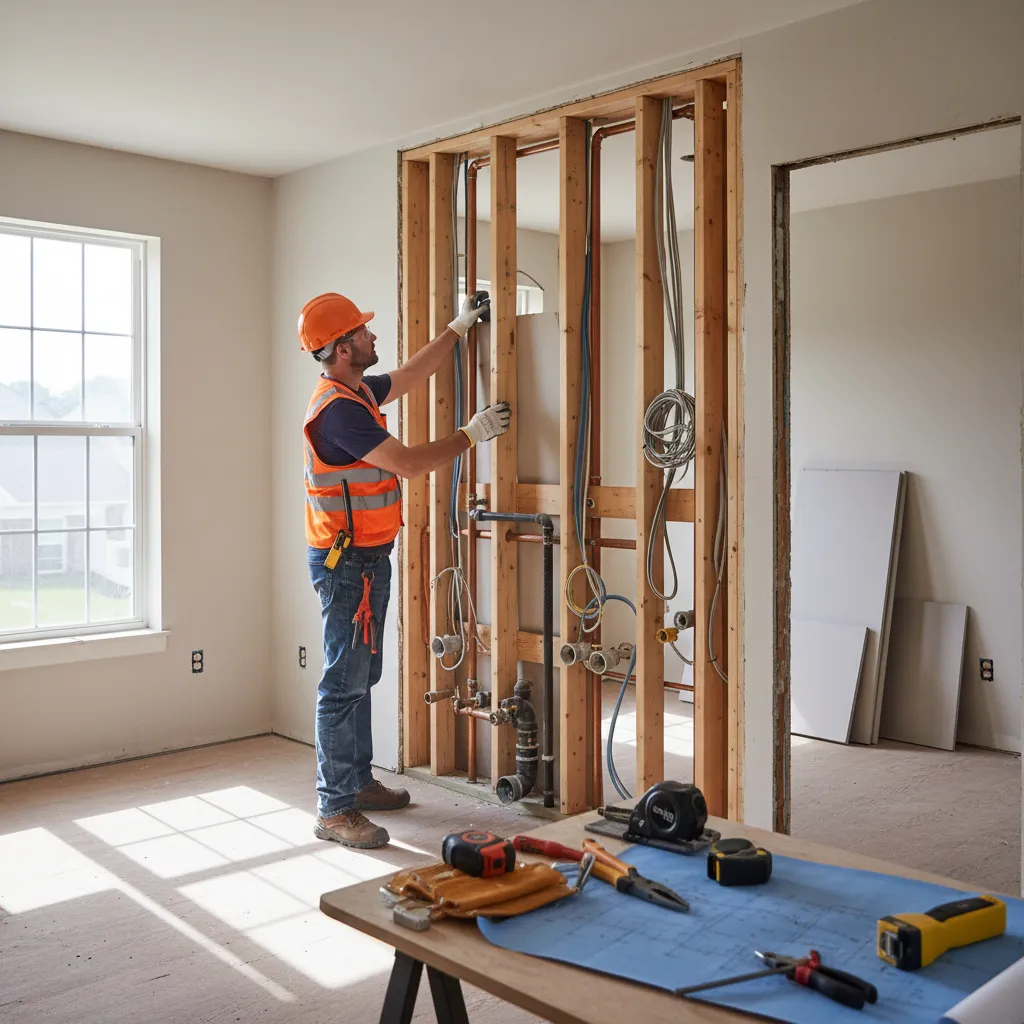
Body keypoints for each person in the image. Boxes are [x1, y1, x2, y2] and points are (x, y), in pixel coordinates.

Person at [297, 290, 510, 849]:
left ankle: (357, 783)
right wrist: (472, 434)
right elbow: (411, 463)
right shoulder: (338, 411)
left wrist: (458, 328)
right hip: (347, 564)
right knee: (342, 682)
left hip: (366, 558)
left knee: (362, 676)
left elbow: (413, 374)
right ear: (342, 348)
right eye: (363, 333)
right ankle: (334, 809)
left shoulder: (356, 390)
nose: (373, 337)